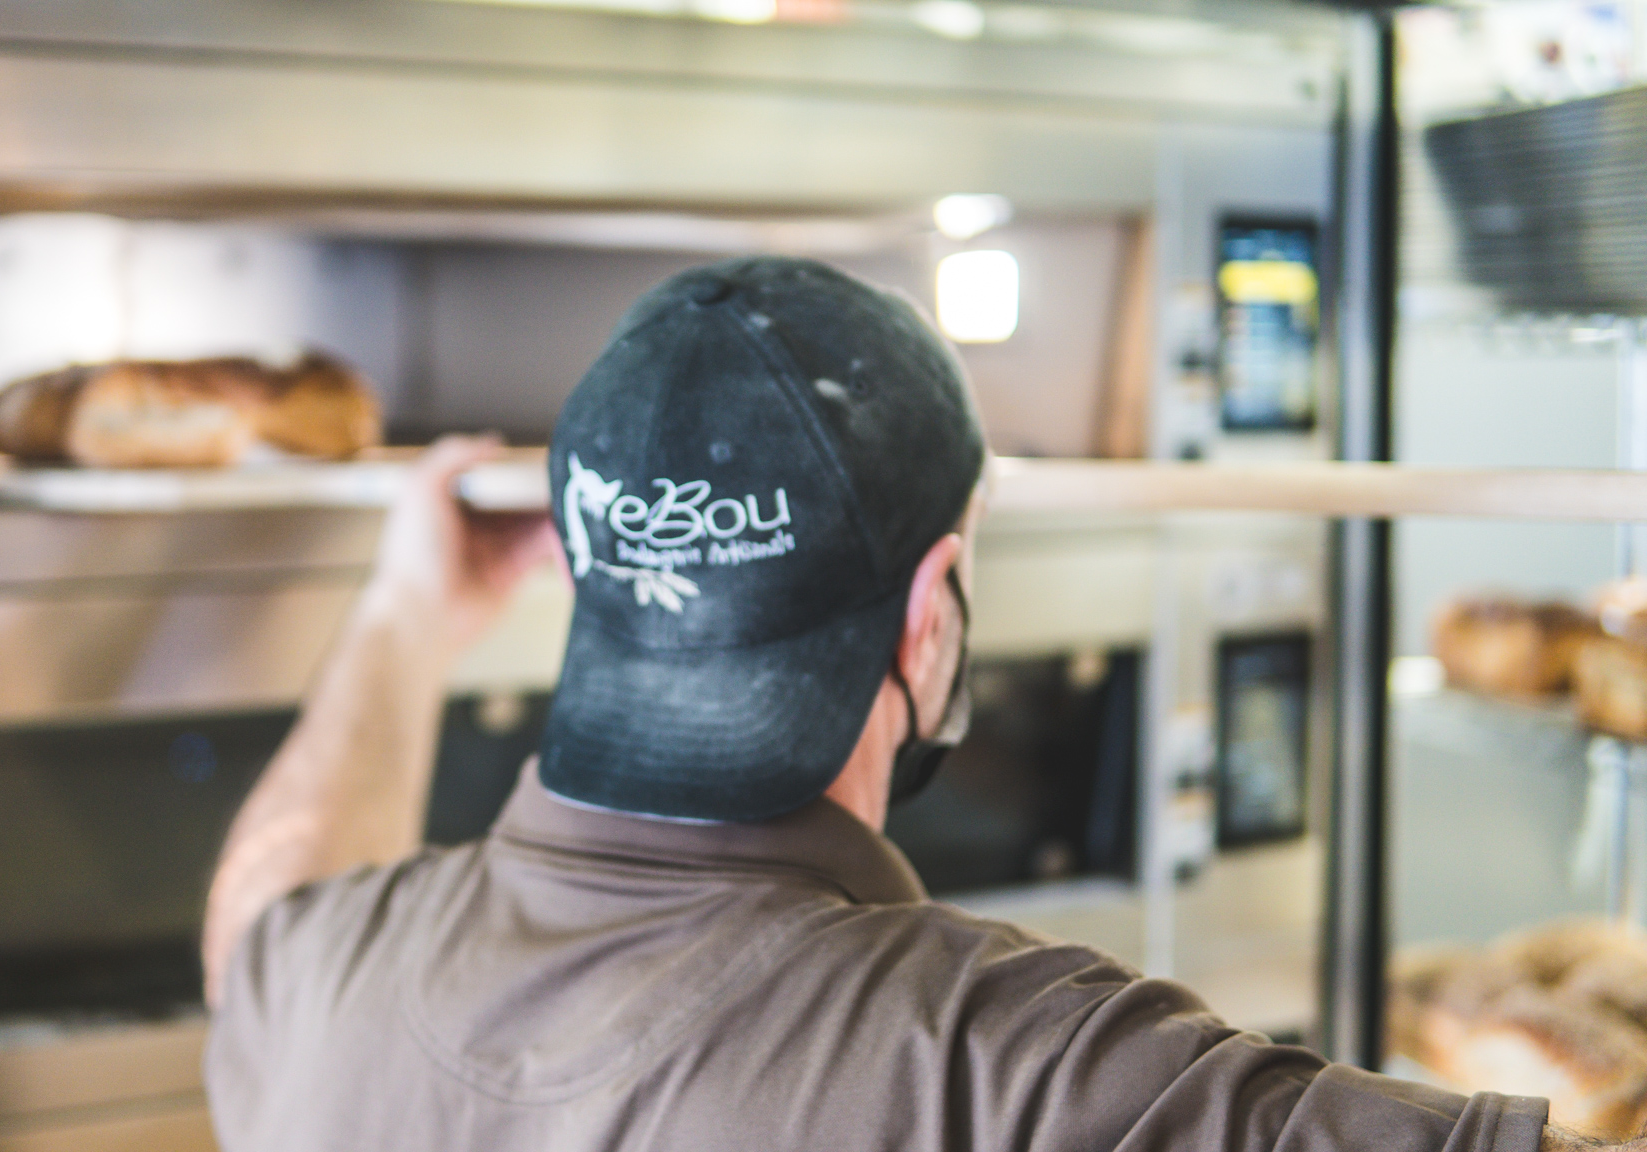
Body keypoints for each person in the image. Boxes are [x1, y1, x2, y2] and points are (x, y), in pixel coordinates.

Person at [201, 257, 1584, 1151]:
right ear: (932, 613)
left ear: (583, 570)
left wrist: (400, 618)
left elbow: (256, 911)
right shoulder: (1013, 1074)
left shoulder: (318, 980)